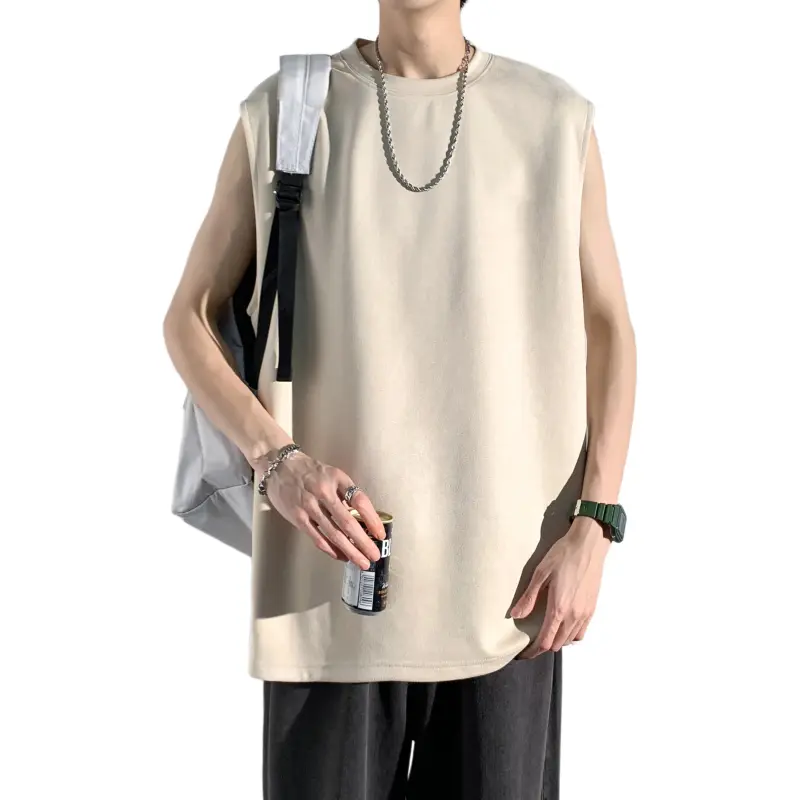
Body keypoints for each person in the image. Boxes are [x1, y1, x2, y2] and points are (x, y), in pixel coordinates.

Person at [163, 0, 637, 797]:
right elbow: (188, 317)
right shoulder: (287, 109)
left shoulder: (555, 120)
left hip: (509, 600)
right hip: (327, 593)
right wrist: (276, 459)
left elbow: (610, 329)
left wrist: (595, 525)